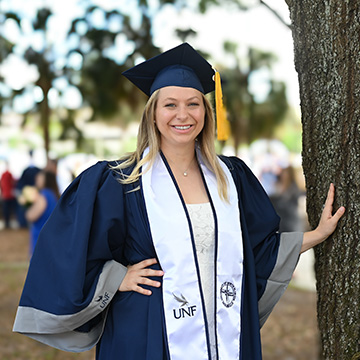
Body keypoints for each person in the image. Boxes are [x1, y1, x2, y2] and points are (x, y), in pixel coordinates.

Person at [13, 43, 345, 360]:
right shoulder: (120, 181)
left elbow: (255, 252)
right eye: (170, 104)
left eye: (193, 103)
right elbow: (71, 248)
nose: (182, 114)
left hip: (222, 329)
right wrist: (117, 278)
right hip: (147, 329)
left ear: (206, 111)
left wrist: (315, 235)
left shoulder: (232, 178)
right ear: (153, 113)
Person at [25, 170, 60, 255]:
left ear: (46, 179)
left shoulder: (44, 195)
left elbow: (31, 215)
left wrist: (28, 208)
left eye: (40, 177)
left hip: (41, 236)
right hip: (51, 235)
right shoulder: (54, 194)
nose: (37, 178)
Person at [0, 162, 17, 229]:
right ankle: (8, 223)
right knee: (9, 210)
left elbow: (1, 184)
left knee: (6, 210)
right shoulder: (9, 174)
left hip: (6, 195)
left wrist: (2, 193)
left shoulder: (4, 174)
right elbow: (13, 183)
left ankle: (7, 223)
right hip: (9, 195)